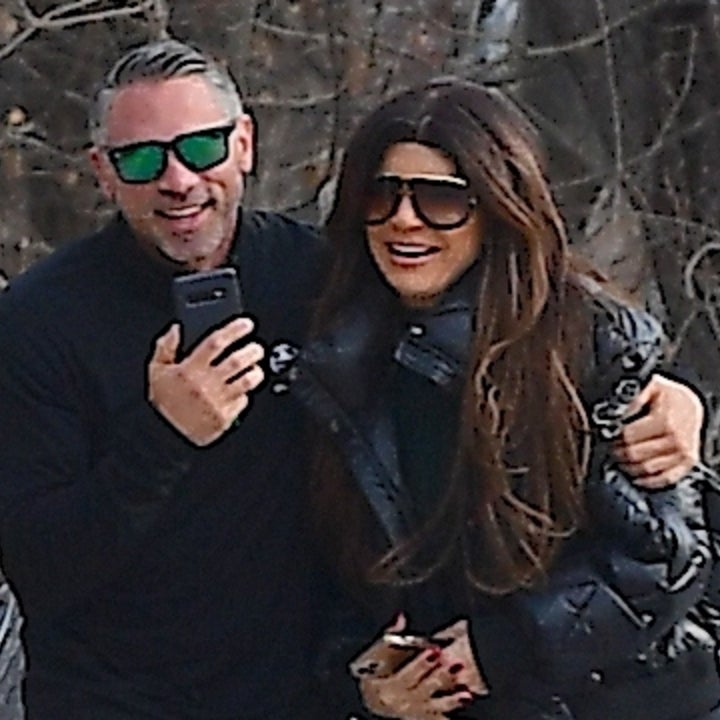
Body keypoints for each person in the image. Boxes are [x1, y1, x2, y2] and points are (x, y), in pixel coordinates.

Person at [0, 39, 706, 719]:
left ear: (244, 144)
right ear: (102, 171)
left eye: (202, 147)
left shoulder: (322, 284)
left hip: (329, 699)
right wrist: (162, 439)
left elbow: (662, 546)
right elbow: (38, 566)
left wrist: (671, 400)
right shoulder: (39, 323)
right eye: (141, 159)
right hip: (116, 699)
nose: (178, 180)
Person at [286, 78, 720, 719]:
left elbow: (664, 559)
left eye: (440, 199)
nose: (404, 219)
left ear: (496, 207)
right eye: (381, 195)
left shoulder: (588, 339)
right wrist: (365, 678)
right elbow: (332, 570)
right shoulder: (336, 355)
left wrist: (504, 647)